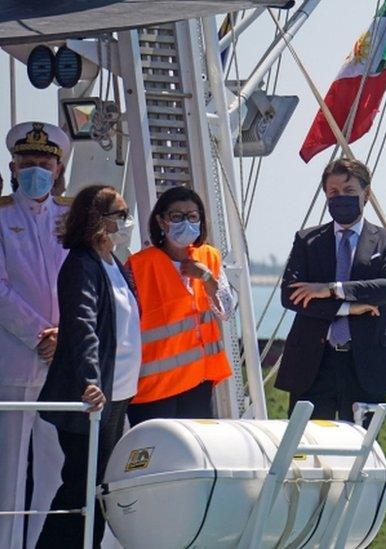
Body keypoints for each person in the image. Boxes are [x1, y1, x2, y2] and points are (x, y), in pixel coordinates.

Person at [36, 184, 139, 548]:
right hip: (93, 398)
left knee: (98, 488)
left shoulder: (117, 265)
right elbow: (83, 326)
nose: (127, 223)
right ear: (99, 220)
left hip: (119, 395)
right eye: (120, 215)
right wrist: (90, 382)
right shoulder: (81, 264)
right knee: (81, 484)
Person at [276, 158, 386, 422]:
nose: (341, 198)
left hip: (367, 365)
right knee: (307, 447)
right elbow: (290, 295)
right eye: (333, 192)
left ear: (366, 194)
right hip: (314, 364)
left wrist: (332, 289)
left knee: (362, 449)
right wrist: (349, 307)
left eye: (349, 192)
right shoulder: (307, 240)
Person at [0, 122, 71, 549]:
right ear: (13, 166)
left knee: (56, 470)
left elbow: (87, 284)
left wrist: (66, 337)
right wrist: (40, 334)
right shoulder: (2, 217)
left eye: (44, 163)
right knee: (8, 471)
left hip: (64, 364)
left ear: (59, 167)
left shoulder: (73, 220)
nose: (37, 170)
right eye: (28, 163)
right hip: (14, 360)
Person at [125, 186, 235, 425]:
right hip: (153, 388)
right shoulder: (138, 266)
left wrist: (207, 278)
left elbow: (226, 311)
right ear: (161, 222)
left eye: (193, 216)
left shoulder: (209, 257)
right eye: (177, 216)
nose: (186, 222)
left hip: (198, 383)